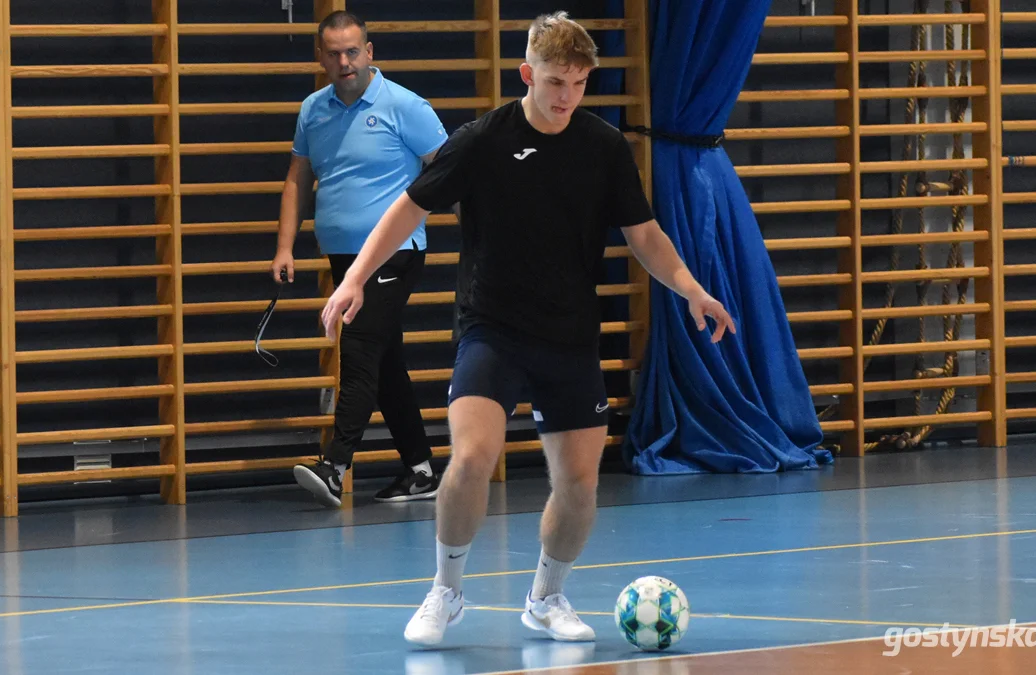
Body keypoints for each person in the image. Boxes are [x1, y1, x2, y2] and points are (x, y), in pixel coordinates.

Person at [320, 11, 736, 646]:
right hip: (492, 329)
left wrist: (692, 289)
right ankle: (446, 591)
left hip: (568, 336)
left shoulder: (602, 147)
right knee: (471, 458)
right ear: (526, 75)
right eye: (553, 82)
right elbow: (408, 207)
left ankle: (547, 598)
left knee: (579, 484)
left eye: (576, 83)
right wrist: (353, 279)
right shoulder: (483, 140)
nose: (565, 96)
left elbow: (644, 235)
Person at [272, 11, 449, 507]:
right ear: (321, 57)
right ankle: (421, 469)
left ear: (369, 52)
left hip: (394, 253)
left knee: (361, 350)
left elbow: (450, 168)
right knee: (385, 361)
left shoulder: (404, 106)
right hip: (342, 257)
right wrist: (285, 246)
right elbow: (297, 179)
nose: (344, 62)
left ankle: (336, 464)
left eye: (352, 51)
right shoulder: (314, 110)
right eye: (333, 53)